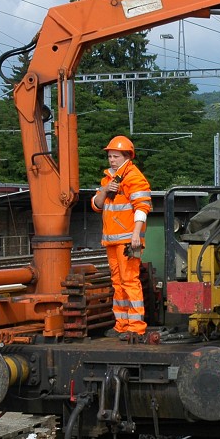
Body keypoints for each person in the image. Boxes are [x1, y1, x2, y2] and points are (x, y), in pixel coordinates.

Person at [92, 135, 152, 341]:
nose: (111, 160)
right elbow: (97, 205)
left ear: (127, 156)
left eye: (116, 156)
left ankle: (136, 326)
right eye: (110, 156)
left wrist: (136, 234)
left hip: (127, 241)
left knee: (129, 281)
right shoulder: (108, 179)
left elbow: (142, 207)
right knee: (118, 283)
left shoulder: (134, 177)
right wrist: (104, 190)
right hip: (112, 240)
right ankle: (122, 325)